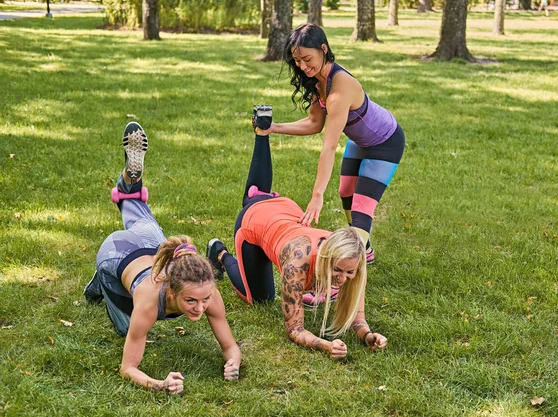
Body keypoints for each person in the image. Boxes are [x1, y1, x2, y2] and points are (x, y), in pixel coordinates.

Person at [205, 112, 388, 360]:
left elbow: (359, 319)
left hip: (287, 211)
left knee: (256, 193)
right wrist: (324, 345)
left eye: (349, 272)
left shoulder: (351, 256)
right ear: (327, 256)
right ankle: (220, 252)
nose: (343, 278)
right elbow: (294, 329)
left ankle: (262, 135)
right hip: (255, 222)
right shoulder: (298, 264)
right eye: (338, 270)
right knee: (259, 298)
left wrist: (368, 336)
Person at [84, 122, 241, 393]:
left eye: (204, 300)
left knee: (135, 205)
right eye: (190, 301)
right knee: (125, 329)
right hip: (117, 252)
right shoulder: (148, 302)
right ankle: (101, 281)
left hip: (152, 245)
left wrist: (234, 362)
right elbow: (128, 367)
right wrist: (159, 384)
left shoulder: (205, 289)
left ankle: (130, 184)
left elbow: (229, 346)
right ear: (171, 289)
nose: (200, 308)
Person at [257, 24, 405, 274]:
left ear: (323, 49)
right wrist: (274, 128)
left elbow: (329, 146)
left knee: (361, 209)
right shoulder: (318, 82)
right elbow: (315, 123)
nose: (303, 66)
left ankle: (344, 272)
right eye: (297, 61)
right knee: (346, 191)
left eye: (307, 59)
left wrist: (317, 196)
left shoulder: (340, 87)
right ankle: (363, 248)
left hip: (385, 143)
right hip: (360, 140)